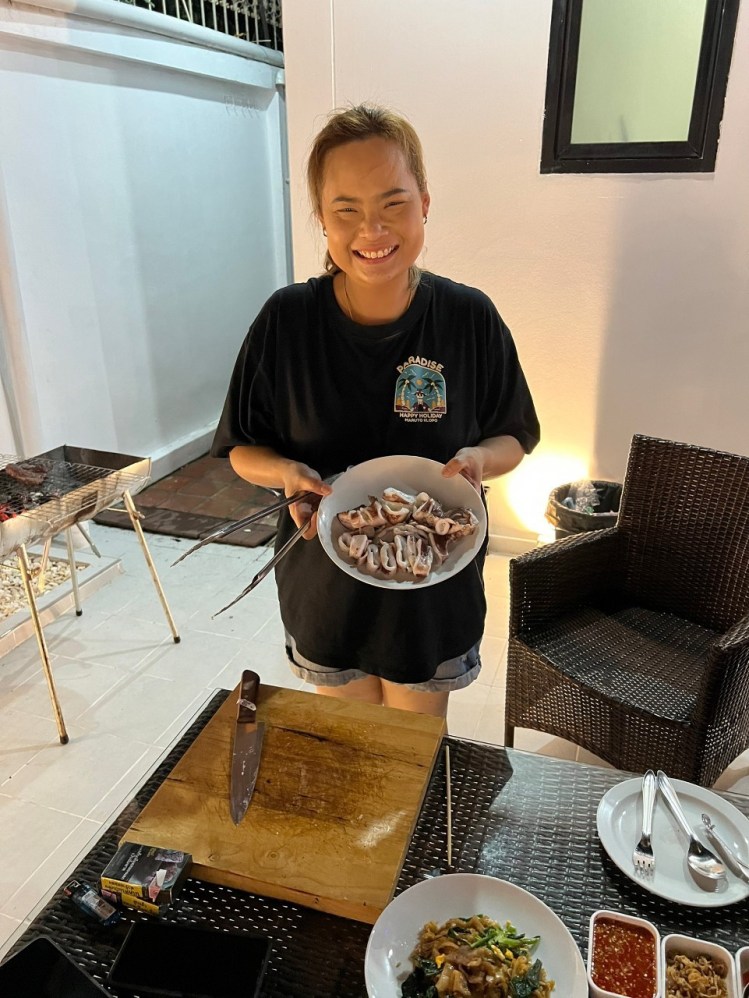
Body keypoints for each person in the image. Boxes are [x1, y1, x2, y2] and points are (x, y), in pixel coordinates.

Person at [211, 104, 540, 718]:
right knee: (350, 749)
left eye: (393, 203)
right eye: (346, 209)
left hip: (432, 593)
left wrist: (479, 458)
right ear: (321, 218)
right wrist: (285, 473)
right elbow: (242, 446)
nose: (372, 228)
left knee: (412, 751)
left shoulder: (468, 317)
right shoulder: (287, 320)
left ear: (424, 204)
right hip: (326, 588)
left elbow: (514, 433)